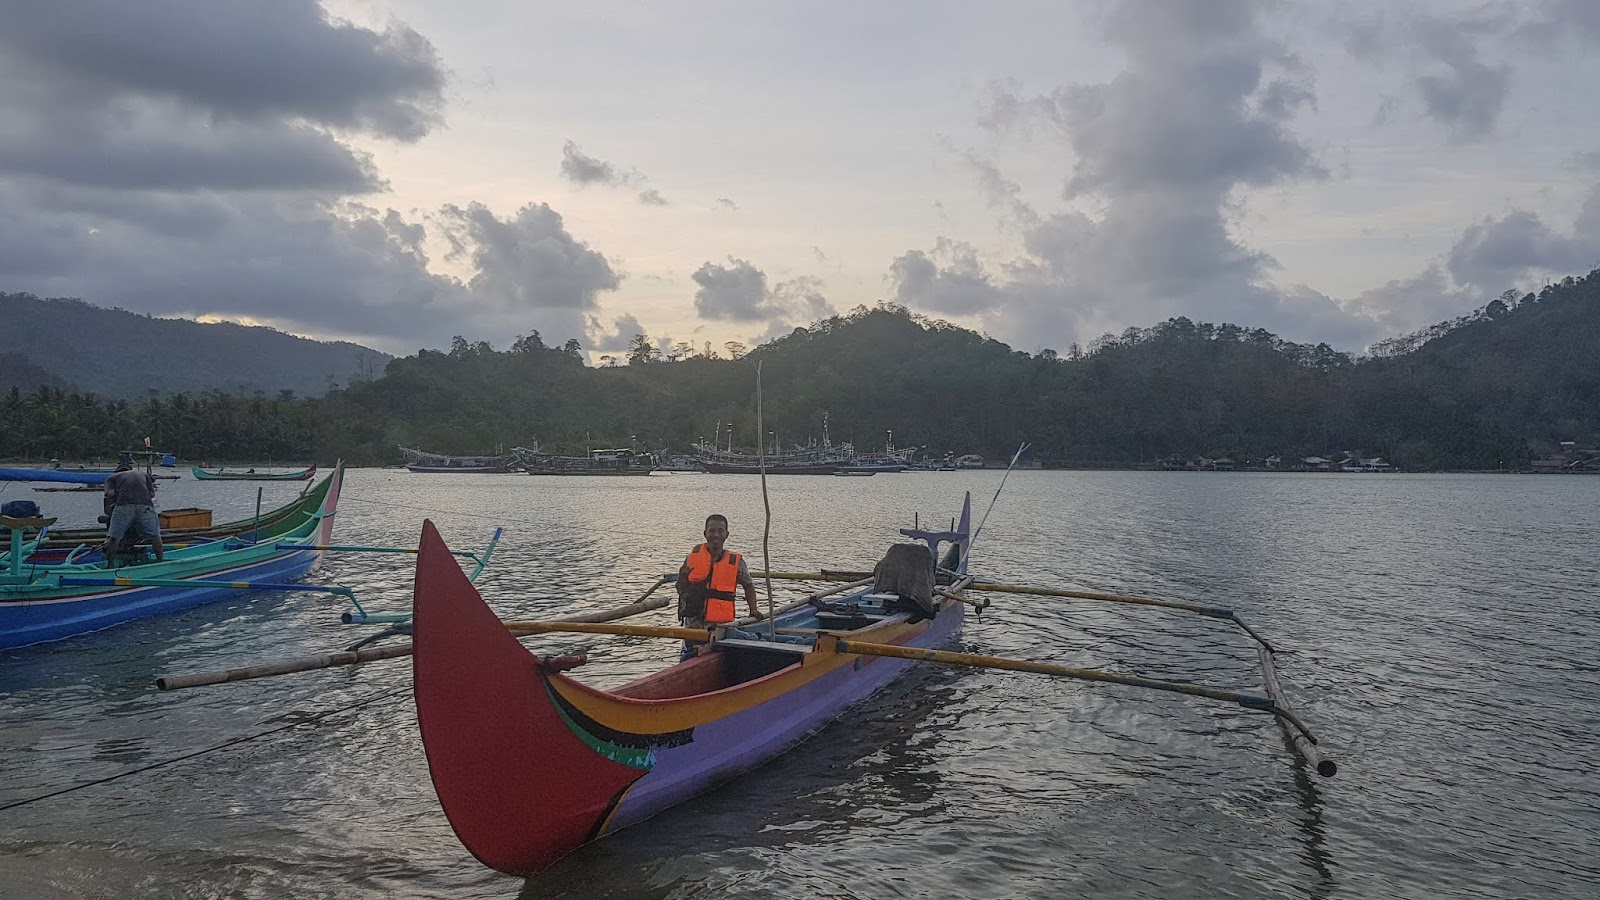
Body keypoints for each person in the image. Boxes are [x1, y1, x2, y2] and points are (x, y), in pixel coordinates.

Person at [676, 513, 760, 660]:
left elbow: (748, 585)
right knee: (687, 659)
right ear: (705, 533)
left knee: (724, 656)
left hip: (720, 627)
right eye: (712, 530)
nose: (716, 535)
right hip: (693, 628)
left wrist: (753, 609)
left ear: (726, 534)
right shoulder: (692, 558)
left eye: (720, 531)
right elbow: (681, 590)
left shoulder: (736, 562)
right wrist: (682, 576)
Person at [102, 462, 163, 563]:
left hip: (124, 505)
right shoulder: (142, 474)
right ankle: (160, 561)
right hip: (145, 504)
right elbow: (152, 494)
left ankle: (110, 564)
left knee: (114, 537)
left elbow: (109, 493)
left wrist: (119, 496)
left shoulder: (111, 478)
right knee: (155, 535)